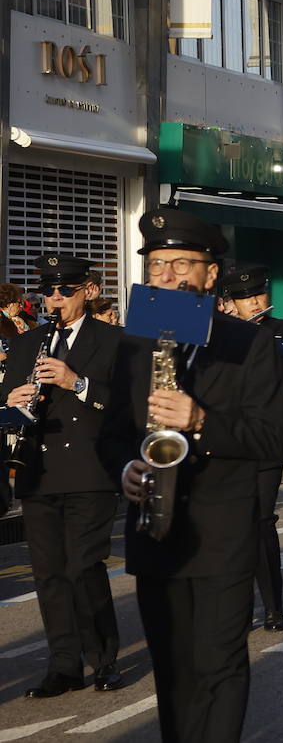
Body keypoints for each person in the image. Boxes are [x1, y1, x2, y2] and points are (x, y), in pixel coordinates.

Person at [98, 207, 283, 742]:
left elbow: (273, 439)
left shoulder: (247, 343)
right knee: (171, 669)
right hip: (154, 534)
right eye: (157, 264)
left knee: (218, 664)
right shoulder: (133, 342)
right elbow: (112, 434)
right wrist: (125, 469)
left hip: (221, 537)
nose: (167, 275)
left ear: (211, 275)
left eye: (182, 263)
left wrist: (202, 420)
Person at [2, 254, 124, 697]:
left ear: (86, 291)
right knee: (49, 574)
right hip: (39, 471)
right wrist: (14, 400)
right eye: (48, 292)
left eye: (64, 291)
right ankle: (63, 666)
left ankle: (103, 659)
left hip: (90, 470)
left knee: (83, 568)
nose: (55, 299)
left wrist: (76, 382)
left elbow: (126, 404)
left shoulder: (114, 340)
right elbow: (7, 402)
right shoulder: (26, 342)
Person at [222, 265, 283, 633]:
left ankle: (274, 606)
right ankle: (236, 606)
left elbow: (276, 371)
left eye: (259, 295)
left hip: (268, 439)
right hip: (224, 440)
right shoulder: (217, 332)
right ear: (230, 303)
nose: (255, 302)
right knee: (230, 525)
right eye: (245, 298)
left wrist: (237, 331)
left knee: (260, 521)